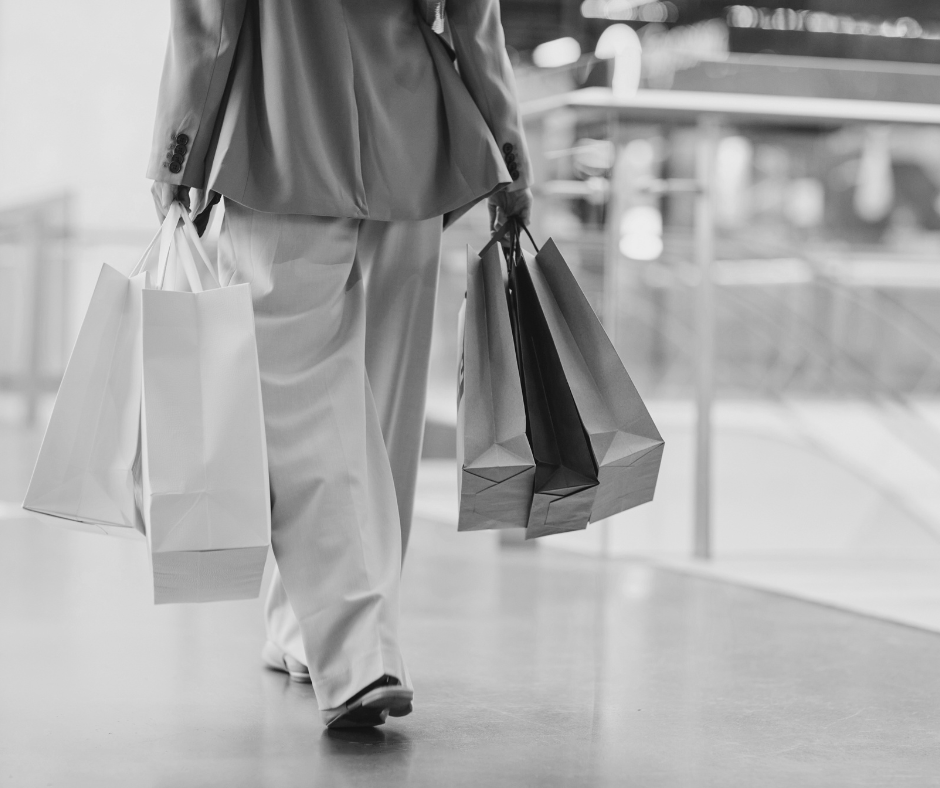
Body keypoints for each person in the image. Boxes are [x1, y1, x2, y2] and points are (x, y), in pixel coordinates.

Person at [148, 0, 533, 729]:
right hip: (415, 136)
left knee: (300, 401)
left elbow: (210, 17)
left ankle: (359, 652)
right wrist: (505, 149)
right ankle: (306, 629)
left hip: (280, 132)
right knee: (381, 407)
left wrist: (179, 143)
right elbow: (474, 16)